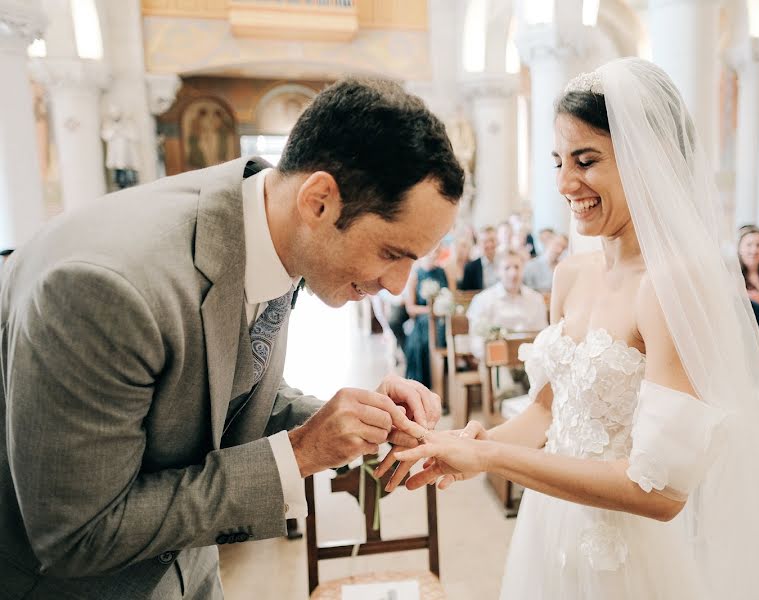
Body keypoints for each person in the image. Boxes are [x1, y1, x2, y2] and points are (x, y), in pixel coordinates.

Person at [0, 78, 463, 599]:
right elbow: (78, 534)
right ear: (319, 202)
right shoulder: (104, 289)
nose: (398, 286)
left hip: (191, 574)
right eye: (390, 253)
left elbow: (218, 390)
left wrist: (347, 422)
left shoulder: (271, 227)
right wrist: (300, 453)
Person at [378, 58, 759, 599]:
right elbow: (546, 410)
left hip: (627, 553)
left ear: (646, 161)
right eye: (559, 160)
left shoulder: (669, 286)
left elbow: (659, 491)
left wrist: (493, 458)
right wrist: (465, 445)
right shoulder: (570, 273)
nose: (565, 183)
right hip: (549, 525)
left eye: (586, 161)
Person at [466, 250, 548, 361]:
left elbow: (543, 335)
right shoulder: (483, 300)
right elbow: (476, 342)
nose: (513, 273)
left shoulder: (536, 298)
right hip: (497, 363)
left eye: (517, 267)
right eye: (507, 268)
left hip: (531, 361)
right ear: (497, 271)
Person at [403, 247, 450, 390]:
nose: (433, 255)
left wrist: (443, 308)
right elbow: (410, 308)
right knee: (423, 341)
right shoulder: (415, 274)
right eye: (431, 251)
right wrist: (430, 310)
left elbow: (449, 296)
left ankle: (442, 386)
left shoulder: (442, 272)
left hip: (441, 320)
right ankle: (424, 386)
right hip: (423, 321)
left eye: (436, 251)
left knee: (444, 334)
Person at [459, 225, 498, 290]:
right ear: (479, 244)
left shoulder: (505, 263)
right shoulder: (470, 268)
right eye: (485, 241)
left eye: (492, 240)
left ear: (497, 241)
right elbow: (466, 295)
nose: (489, 244)